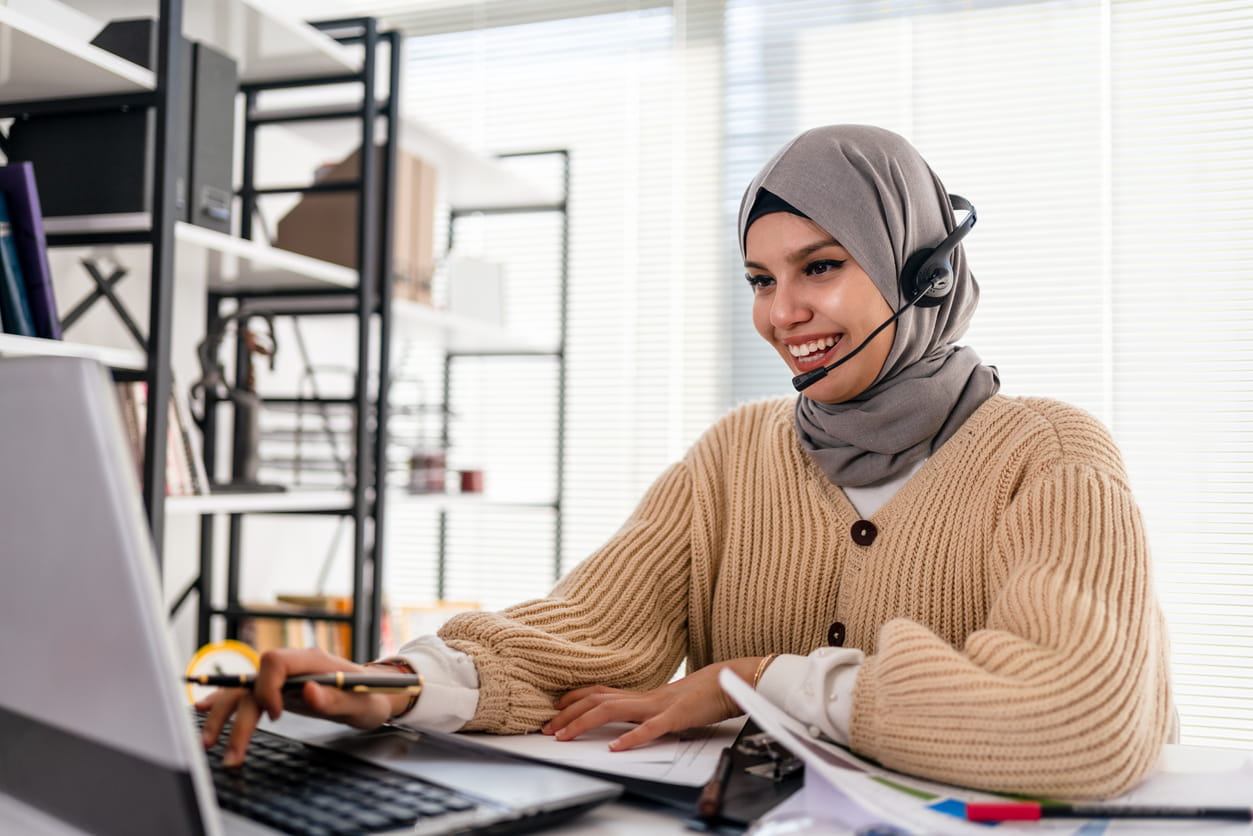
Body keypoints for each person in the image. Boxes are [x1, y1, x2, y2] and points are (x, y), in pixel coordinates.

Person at [200, 124, 1173, 799]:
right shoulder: (734, 454)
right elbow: (578, 635)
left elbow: (1073, 717)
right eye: (759, 278)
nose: (779, 313)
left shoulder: (1047, 453)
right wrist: (383, 683)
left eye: (819, 267)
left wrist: (757, 678)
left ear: (922, 273)